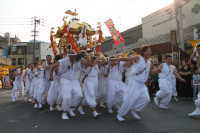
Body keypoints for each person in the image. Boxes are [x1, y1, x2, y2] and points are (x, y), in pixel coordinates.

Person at [117, 46, 152, 122]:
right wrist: (118, 59)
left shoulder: (149, 62)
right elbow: (128, 59)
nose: (150, 52)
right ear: (143, 52)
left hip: (142, 84)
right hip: (134, 82)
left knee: (146, 99)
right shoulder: (139, 58)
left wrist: (146, 82)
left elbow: (147, 74)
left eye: (150, 51)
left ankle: (134, 109)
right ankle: (120, 114)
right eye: (148, 51)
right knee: (130, 99)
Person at [52, 52, 83, 120]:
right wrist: (57, 71)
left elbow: (83, 65)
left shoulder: (78, 61)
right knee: (67, 97)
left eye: (74, 56)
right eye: (71, 56)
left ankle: (70, 108)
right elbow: (55, 69)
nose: (73, 57)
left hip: (75, 80)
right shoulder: (63, 61)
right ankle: (64, 112)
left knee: (79, 95)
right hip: (65, 80)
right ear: (68, 56)